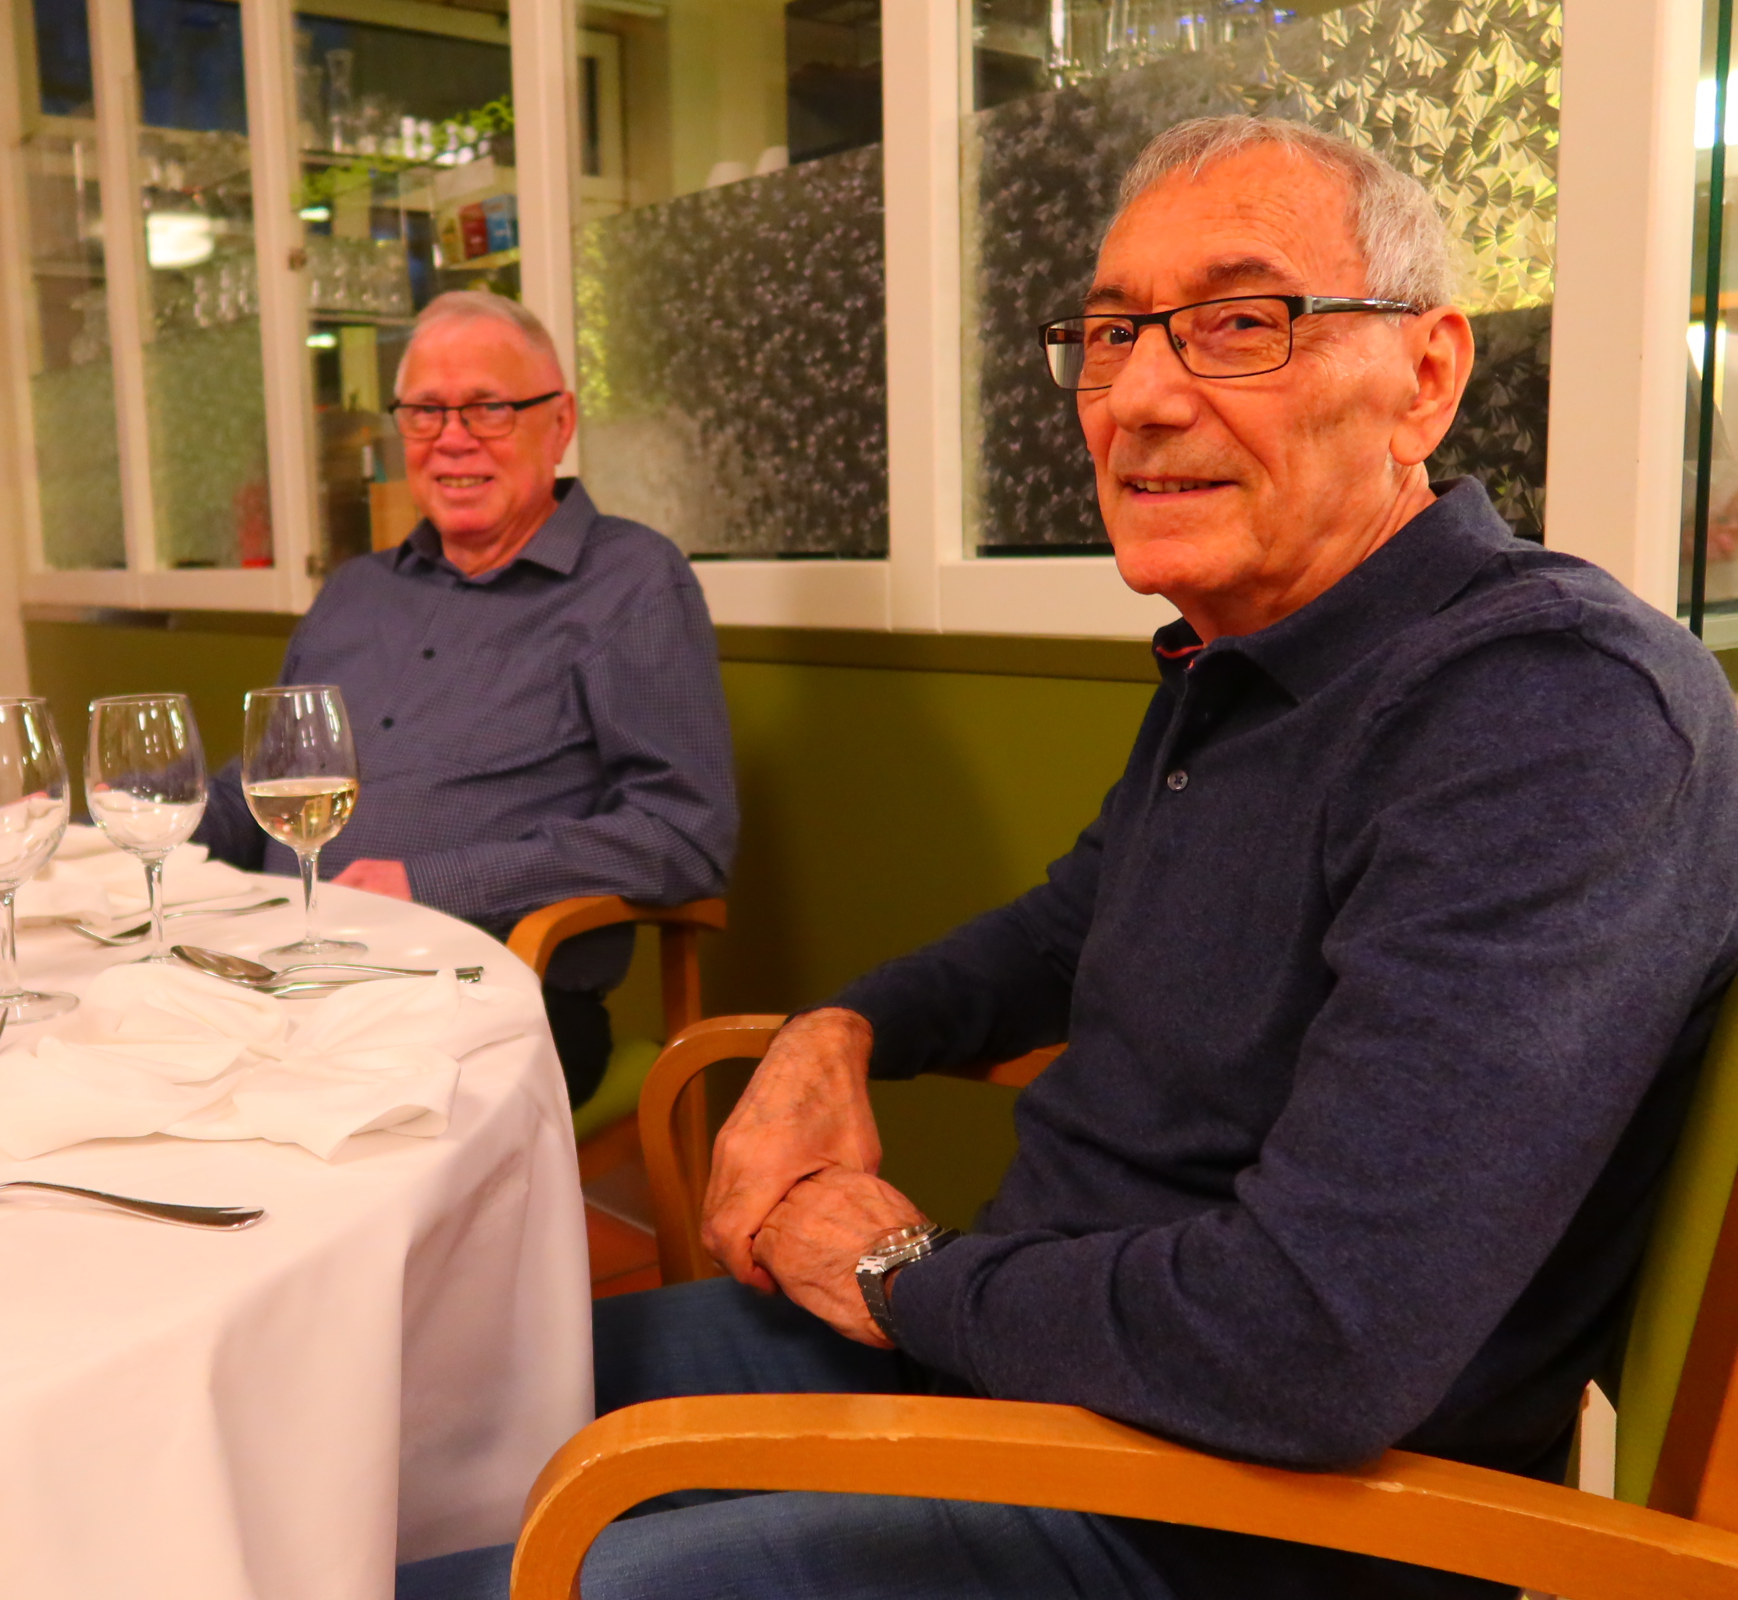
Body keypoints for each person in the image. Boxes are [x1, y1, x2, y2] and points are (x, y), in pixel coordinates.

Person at [395, 117, 1738, 1600]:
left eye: (1241, 323)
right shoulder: (1247, 654)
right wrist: (837, 1029)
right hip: (1042, 1374)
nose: (1141, 398)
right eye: (1111, 335)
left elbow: (1316, 1340)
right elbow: (1058, 933)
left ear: (1425, 376)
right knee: (427, 1411)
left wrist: (899, 1275)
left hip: (1247, 1520)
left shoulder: (1553, 707)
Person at [195, 292, 737, 1108]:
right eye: (425, 411)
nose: (452, 438)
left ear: (559, 422)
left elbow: (683, 835)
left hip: (488, 997)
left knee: (266, 1113)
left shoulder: (631, 583)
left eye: (488, 408)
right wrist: (107, 836)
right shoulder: (354, 593)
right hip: (284, 973)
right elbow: (264, 792)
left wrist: (429, 884)